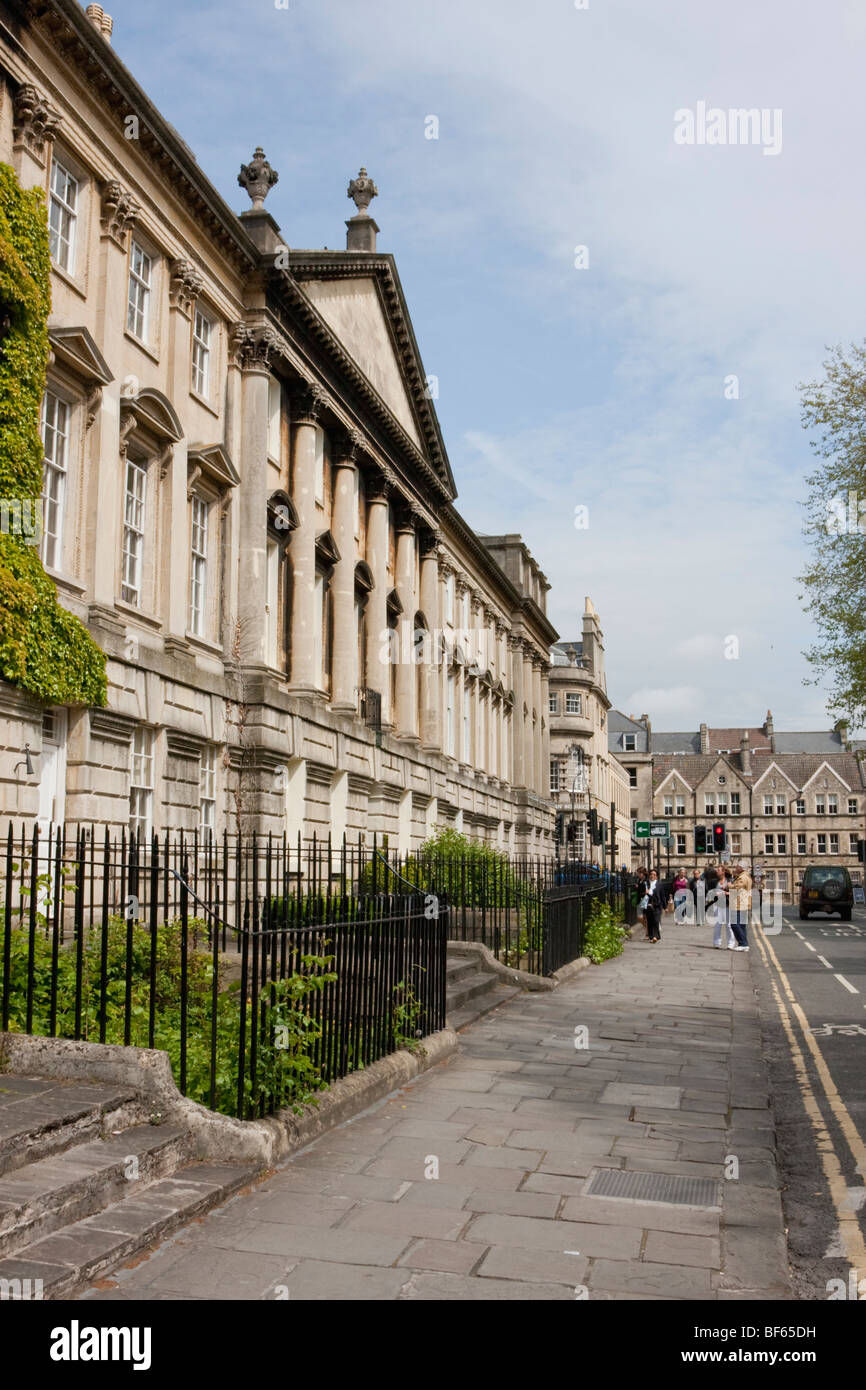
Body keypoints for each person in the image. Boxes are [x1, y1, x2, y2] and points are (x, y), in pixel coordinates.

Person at [729, 864, 752, 950]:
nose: (735, 868)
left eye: (737, 867)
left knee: (734, 924)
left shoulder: (742, 877)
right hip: (743, 903)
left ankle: (743, 944)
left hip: (739, 903)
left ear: (741, 868)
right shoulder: (745, 876)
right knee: (741, 925)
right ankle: (744, 944)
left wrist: (729, 885)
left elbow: (736, 887)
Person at [645, 866, 663, 942]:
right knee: (650, 921)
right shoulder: (646, 884)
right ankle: (651, 936)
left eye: (654, 874)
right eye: (651, 874)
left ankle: (656, 936)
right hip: (648, 905)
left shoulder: (659, 884)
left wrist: (665, 907)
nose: (652, 876)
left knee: (656, 920)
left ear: (656, 876)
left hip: (657, 905)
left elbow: (662, 896)